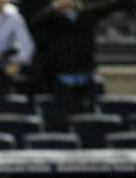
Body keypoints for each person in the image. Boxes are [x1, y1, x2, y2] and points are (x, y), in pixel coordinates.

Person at [30, 0, 134, 130]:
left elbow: (111, 6)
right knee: (65, 120)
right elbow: (34, 23)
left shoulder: (87, 15)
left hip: (87, 77)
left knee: (92, 121)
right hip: (63, 80)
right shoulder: (52, 19)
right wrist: (54, 7)